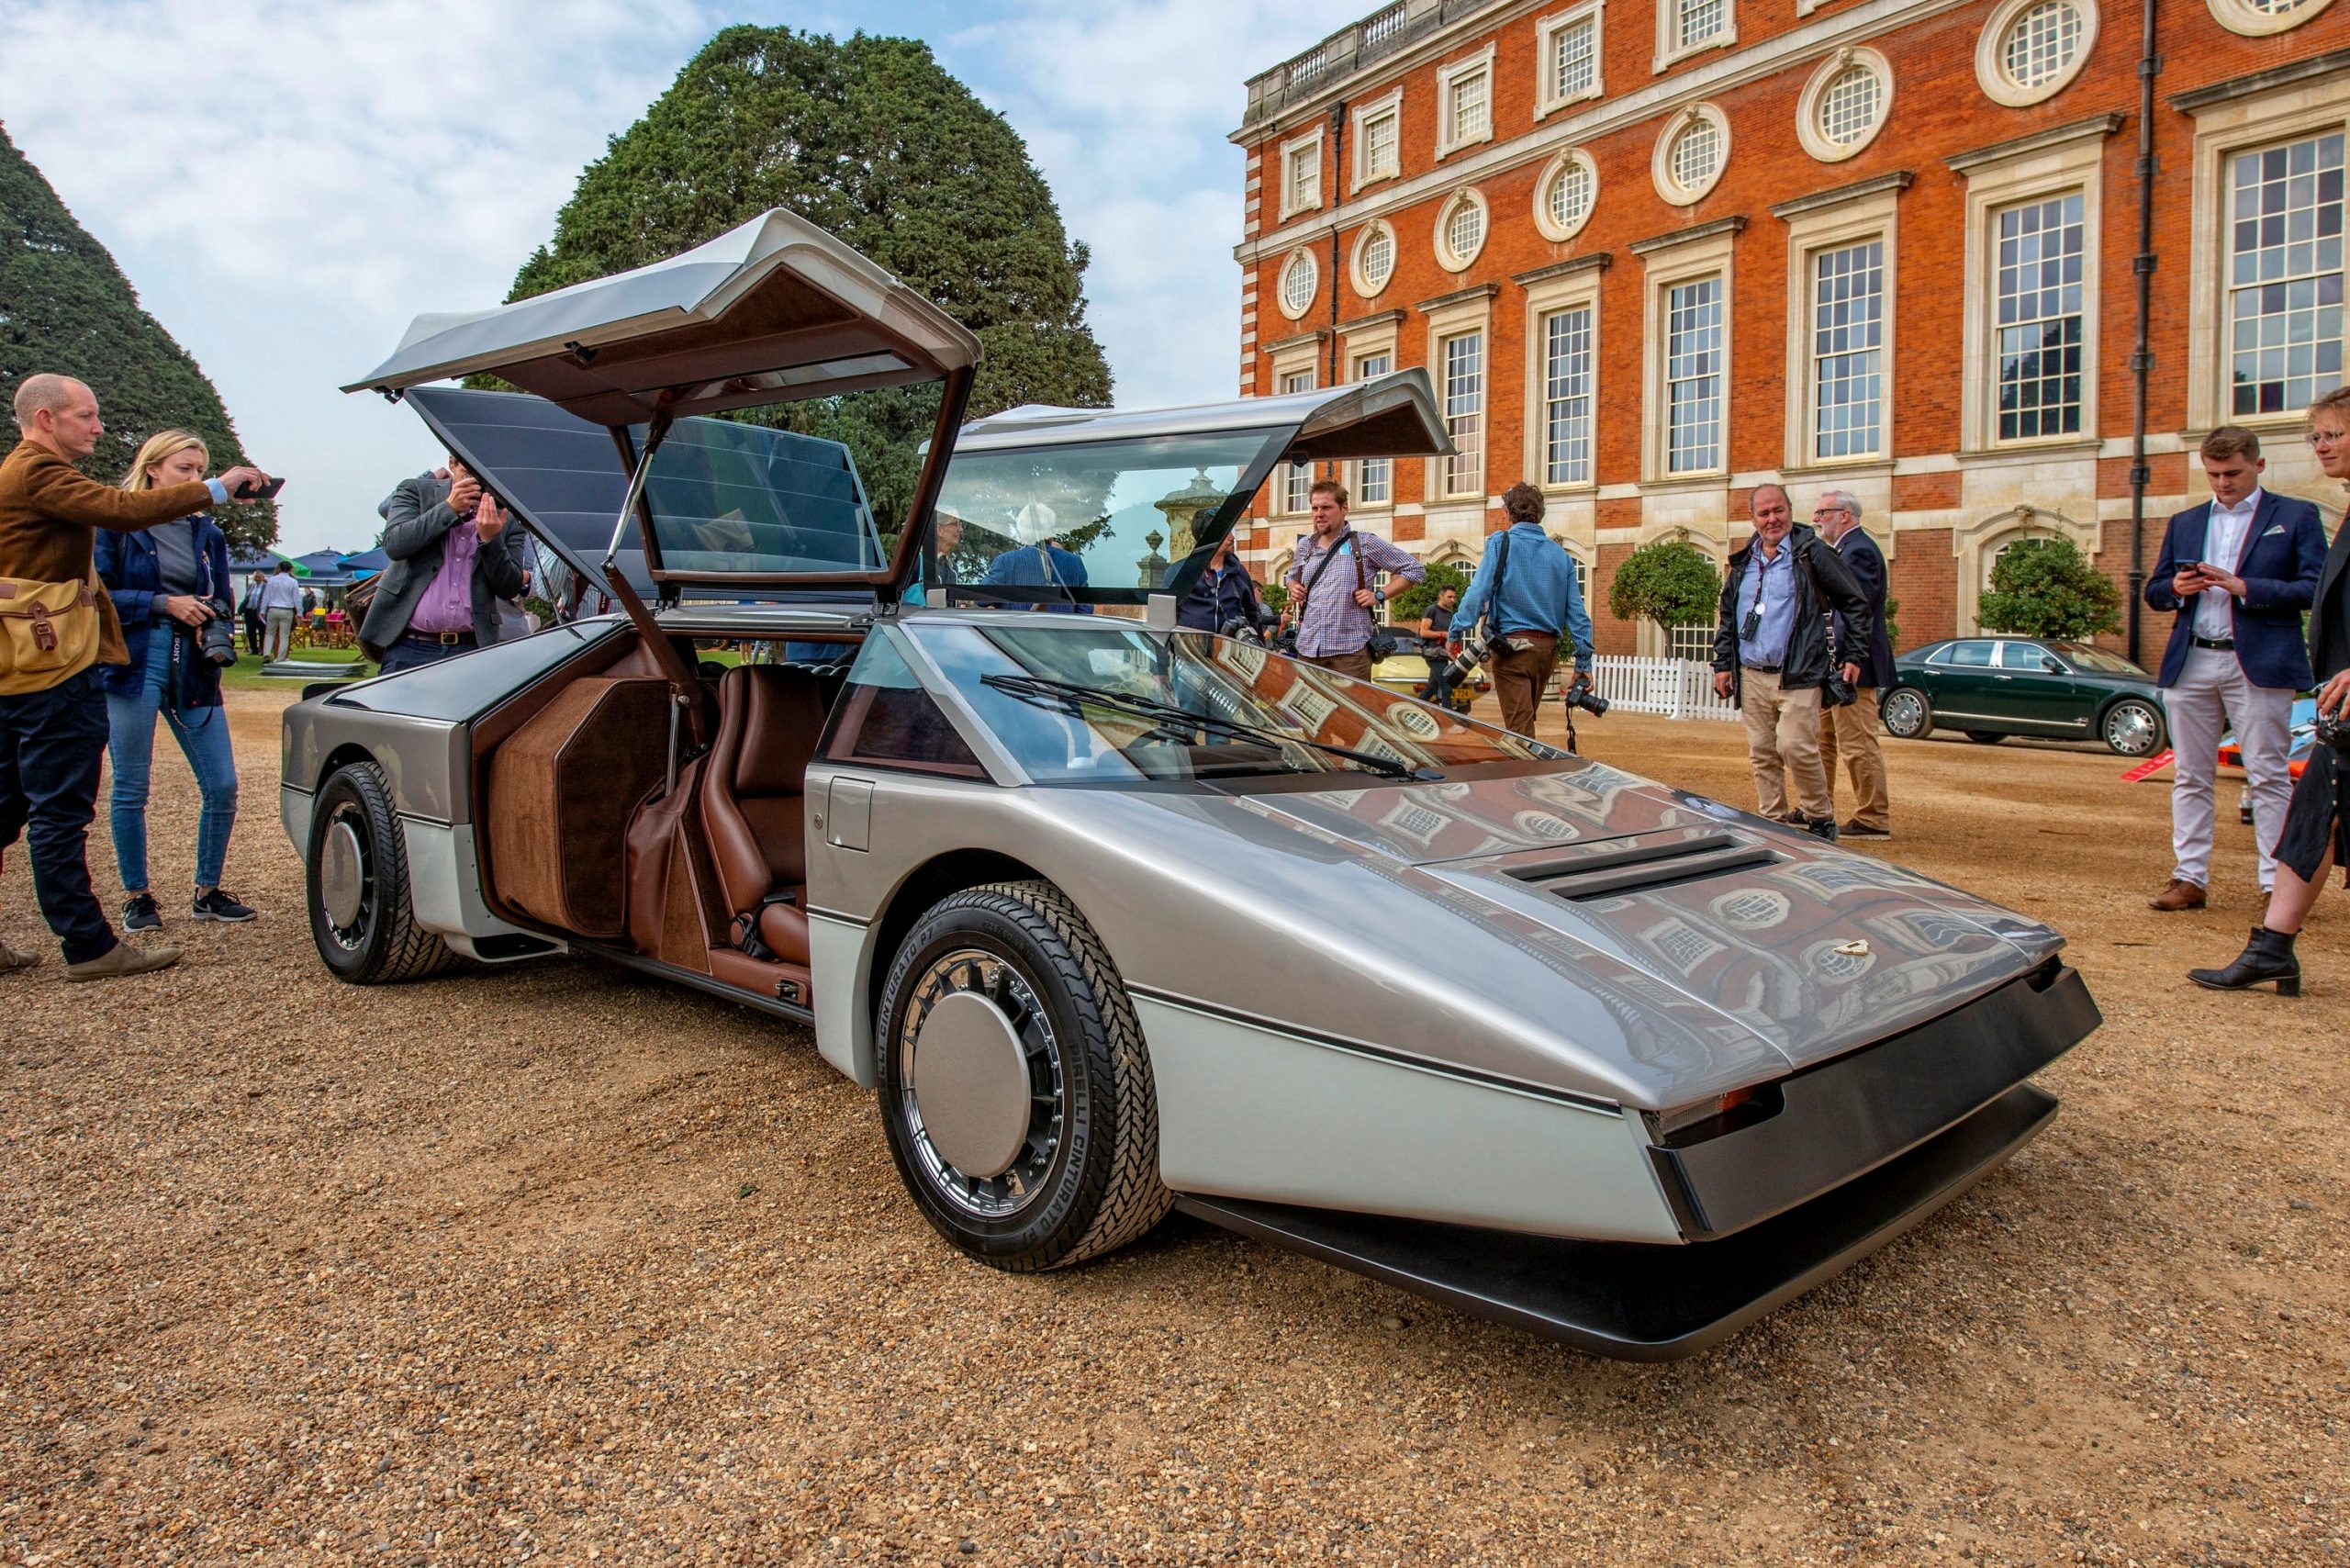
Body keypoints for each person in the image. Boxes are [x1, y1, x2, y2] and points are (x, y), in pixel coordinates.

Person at [0, 373, 264, 980]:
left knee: (11, 803)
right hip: (52, 663)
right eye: (85, 416)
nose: (97, 426)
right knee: (61, 809)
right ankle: (90, 945)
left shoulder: (20, 472)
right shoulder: (38, 472)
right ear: (46, 420)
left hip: (23, 661)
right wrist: (216, 488)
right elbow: (120, 512)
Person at [2190, 388, 2350, 994]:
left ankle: (2273, 945)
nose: (2320, 446)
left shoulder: (2303, 516)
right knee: (2315, 811)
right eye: (2316, 436)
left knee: (2316, 808)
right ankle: (2273, 946)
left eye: (2332, 434)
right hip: (2342, 700)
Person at [2141, 426, 2326, 912]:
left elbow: (2314, 588)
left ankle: (2275, 885)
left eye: (2232, 473)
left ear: (2258, 465)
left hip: (2260, 662)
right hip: (2192, 657)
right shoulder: (2185, 520)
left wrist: (2246, 586)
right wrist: (2177, 589)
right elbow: (2154, 590)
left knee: (2267, 774)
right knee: (2191, 774)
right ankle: (2189, 878)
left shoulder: (2296, 515)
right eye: (2214, 474)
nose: (2222, 483)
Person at [94, 430, 255, 932]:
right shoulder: (116, 523)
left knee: (224, 784)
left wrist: (216, 618)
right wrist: (163, 603)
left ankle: (207, 891)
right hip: (133, 658)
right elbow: (96, 594)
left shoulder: (207, 533)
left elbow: (223, 596)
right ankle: (137, 896)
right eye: (184, 469)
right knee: (131, 787)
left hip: (193, 662)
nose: (193, 478)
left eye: (198, 469)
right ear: (153, 470)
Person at [1710, 484, 1874, 841]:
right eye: (1764, 513)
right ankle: (1773, 822)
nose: (1773, 519)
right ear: (1752, 519)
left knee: (1795, 746)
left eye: (1779, 510)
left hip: (1799, 673)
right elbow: (1728, 617)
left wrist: (1853, 654)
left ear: (1789, 510)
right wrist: (1723, 663)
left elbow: (1856, 604)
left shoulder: (1811, 554)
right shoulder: (1743, 563)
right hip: (1751, 673)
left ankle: (1819, 816)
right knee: (1762, 753)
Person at [1449, 484, 1595, 735]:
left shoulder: (1500, 542)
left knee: (1519, 732)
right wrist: (1583, 663)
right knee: (1524, 723)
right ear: (1540, 514)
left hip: (1511, 650)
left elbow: (1477, 594)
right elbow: (1578, 616)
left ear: (1508, 513)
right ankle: (1527, 771)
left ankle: (1527, 775)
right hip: (1545, 653)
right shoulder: (1560, 555)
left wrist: (1456, 630)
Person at [360, 458, 530, 673]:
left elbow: (509, 587)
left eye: (484, 479)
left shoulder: (507, 517)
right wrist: (449, 509)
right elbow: (395, 545)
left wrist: (490, 541)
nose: (476, 485)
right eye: (468, 475)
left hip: (470, 647)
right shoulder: (415, 491)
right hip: (409, 645)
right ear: (452, 463)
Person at [1810, 490, 1896, 840]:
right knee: (1822, 740)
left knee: (1858, 742)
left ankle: (1873, 817)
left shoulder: (1859, 550)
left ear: (1844, 515)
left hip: (1852, 667)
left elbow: (1853, 609)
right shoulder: (1844, 550)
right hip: (1834, 666)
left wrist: (1849, 657)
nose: (1817, 519)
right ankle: (1818, 807)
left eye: (1822, 512)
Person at [1281, 479, 1425, 679]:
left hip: (1350, 653)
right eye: (1315, 508)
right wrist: (1293, 586)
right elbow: (1291, 577)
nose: (1319, 514)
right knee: (1307, 709)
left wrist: (1379, 595)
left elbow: (1414, 570)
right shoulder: (1306, 546)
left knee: (1350, 710)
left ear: (1344, 508)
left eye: (1326, 507)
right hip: (1308, 649)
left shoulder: (1364, 543)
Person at [977, 502, 1091, 612]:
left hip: (1017, 631)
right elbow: (1085, 609)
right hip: (1063, 631)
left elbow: (981, 598)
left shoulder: (1006, 562)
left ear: (1021, 531)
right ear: (1049, 531)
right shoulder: (1075, 562)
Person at [1170, 534, 1270, 635]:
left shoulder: (1240, 573)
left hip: (1231, 649)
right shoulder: (1178, 572)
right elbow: (1164, 618)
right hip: (1189, 648)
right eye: (1226, 534)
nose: (1232, 538)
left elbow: (1252, 615)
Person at [1416, 584, 1460, 704]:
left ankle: (1414, 712)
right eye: (1449, 597)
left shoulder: (1450, 614)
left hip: (1444, 655)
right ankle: (1449, 718)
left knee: (1431, 688)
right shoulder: (1432, 610)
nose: (1453, 600)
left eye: (1454, 597)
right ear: (1441, 596)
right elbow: (1423, 632)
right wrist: (1443, 634)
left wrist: (1453, 653)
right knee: (1446, 686)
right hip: (1433, 654)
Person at [258, 562, 302, 661]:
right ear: (290, 569)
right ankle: (280, 657)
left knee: (269, 633)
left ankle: (267, 654)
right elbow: (297, 599)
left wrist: (262, 610)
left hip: (273, 609)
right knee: (284, 636)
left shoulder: (271, 580)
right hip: (286, 610)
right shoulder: (293, 582)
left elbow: (266, 596)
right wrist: (299, 613)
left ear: (279, 568)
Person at [239, 571, 265, 655]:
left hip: (259, 612)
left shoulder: (266, 587)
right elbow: (247, 597)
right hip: (249, 611)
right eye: (256, 577)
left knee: (262, 631)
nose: (257, 579)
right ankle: (253, 649)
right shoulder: (251, 586)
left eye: (259, 577)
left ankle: (262, 649)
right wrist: (241, 608)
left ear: (262, 578)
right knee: (250, 631)